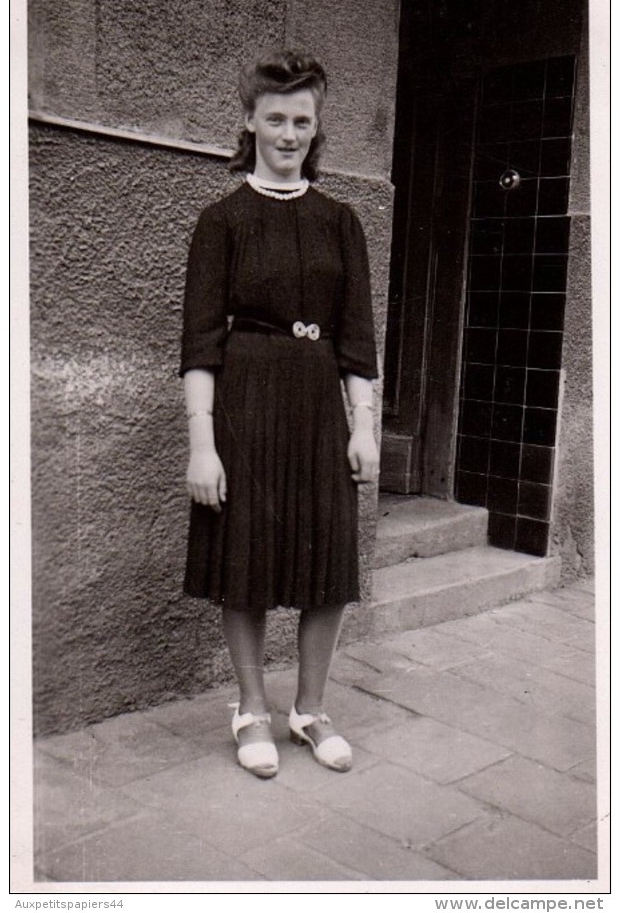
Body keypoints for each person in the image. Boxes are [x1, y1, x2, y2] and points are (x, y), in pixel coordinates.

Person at [180, 50, 379, 779]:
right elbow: (200, 341)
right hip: (245, 402)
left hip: (319, 404)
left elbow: (357, 334)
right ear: (250, 121)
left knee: (328, 559)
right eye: (276, 118)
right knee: (248, 558)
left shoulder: (341, 221)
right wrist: (202, 445)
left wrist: (362, 424)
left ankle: (312, 708)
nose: (289, 133)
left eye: (302, 119)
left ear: (316, 125)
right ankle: (251, 709)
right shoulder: (222, 220)